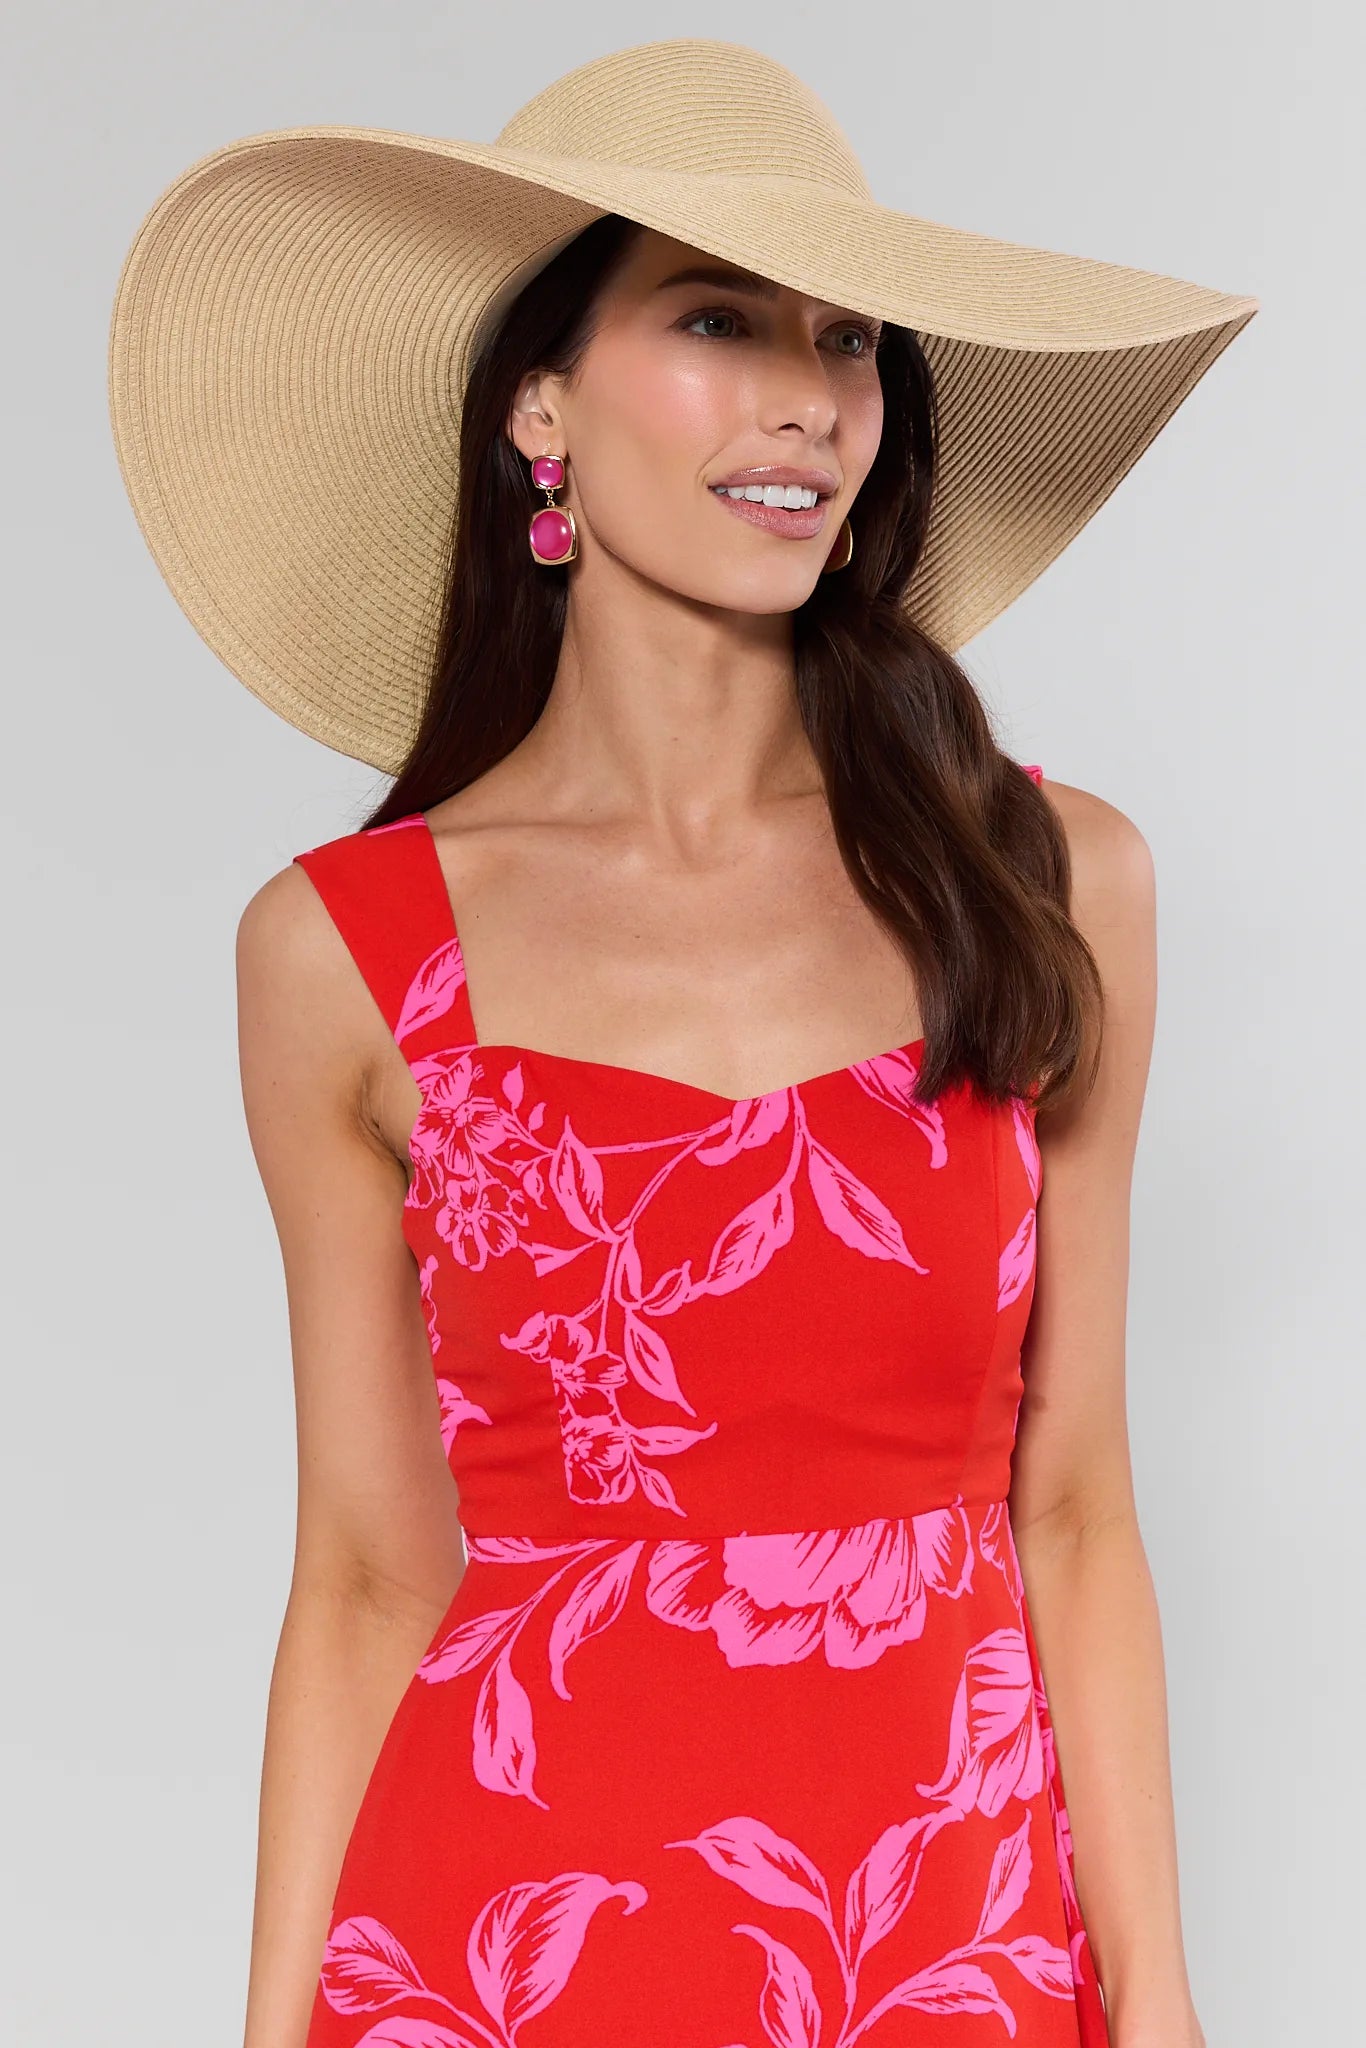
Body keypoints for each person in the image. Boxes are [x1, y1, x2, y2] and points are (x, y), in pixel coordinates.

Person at [107, 39, 1257, 2048]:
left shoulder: (1047, 882)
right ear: (536, 398)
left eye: (846, 340)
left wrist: (1156, 2008)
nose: (807, 396)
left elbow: (1067, 1514)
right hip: (500, 1961)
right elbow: (371, 1574)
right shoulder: (344, 955)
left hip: (946, 1953)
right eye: (717, 317)